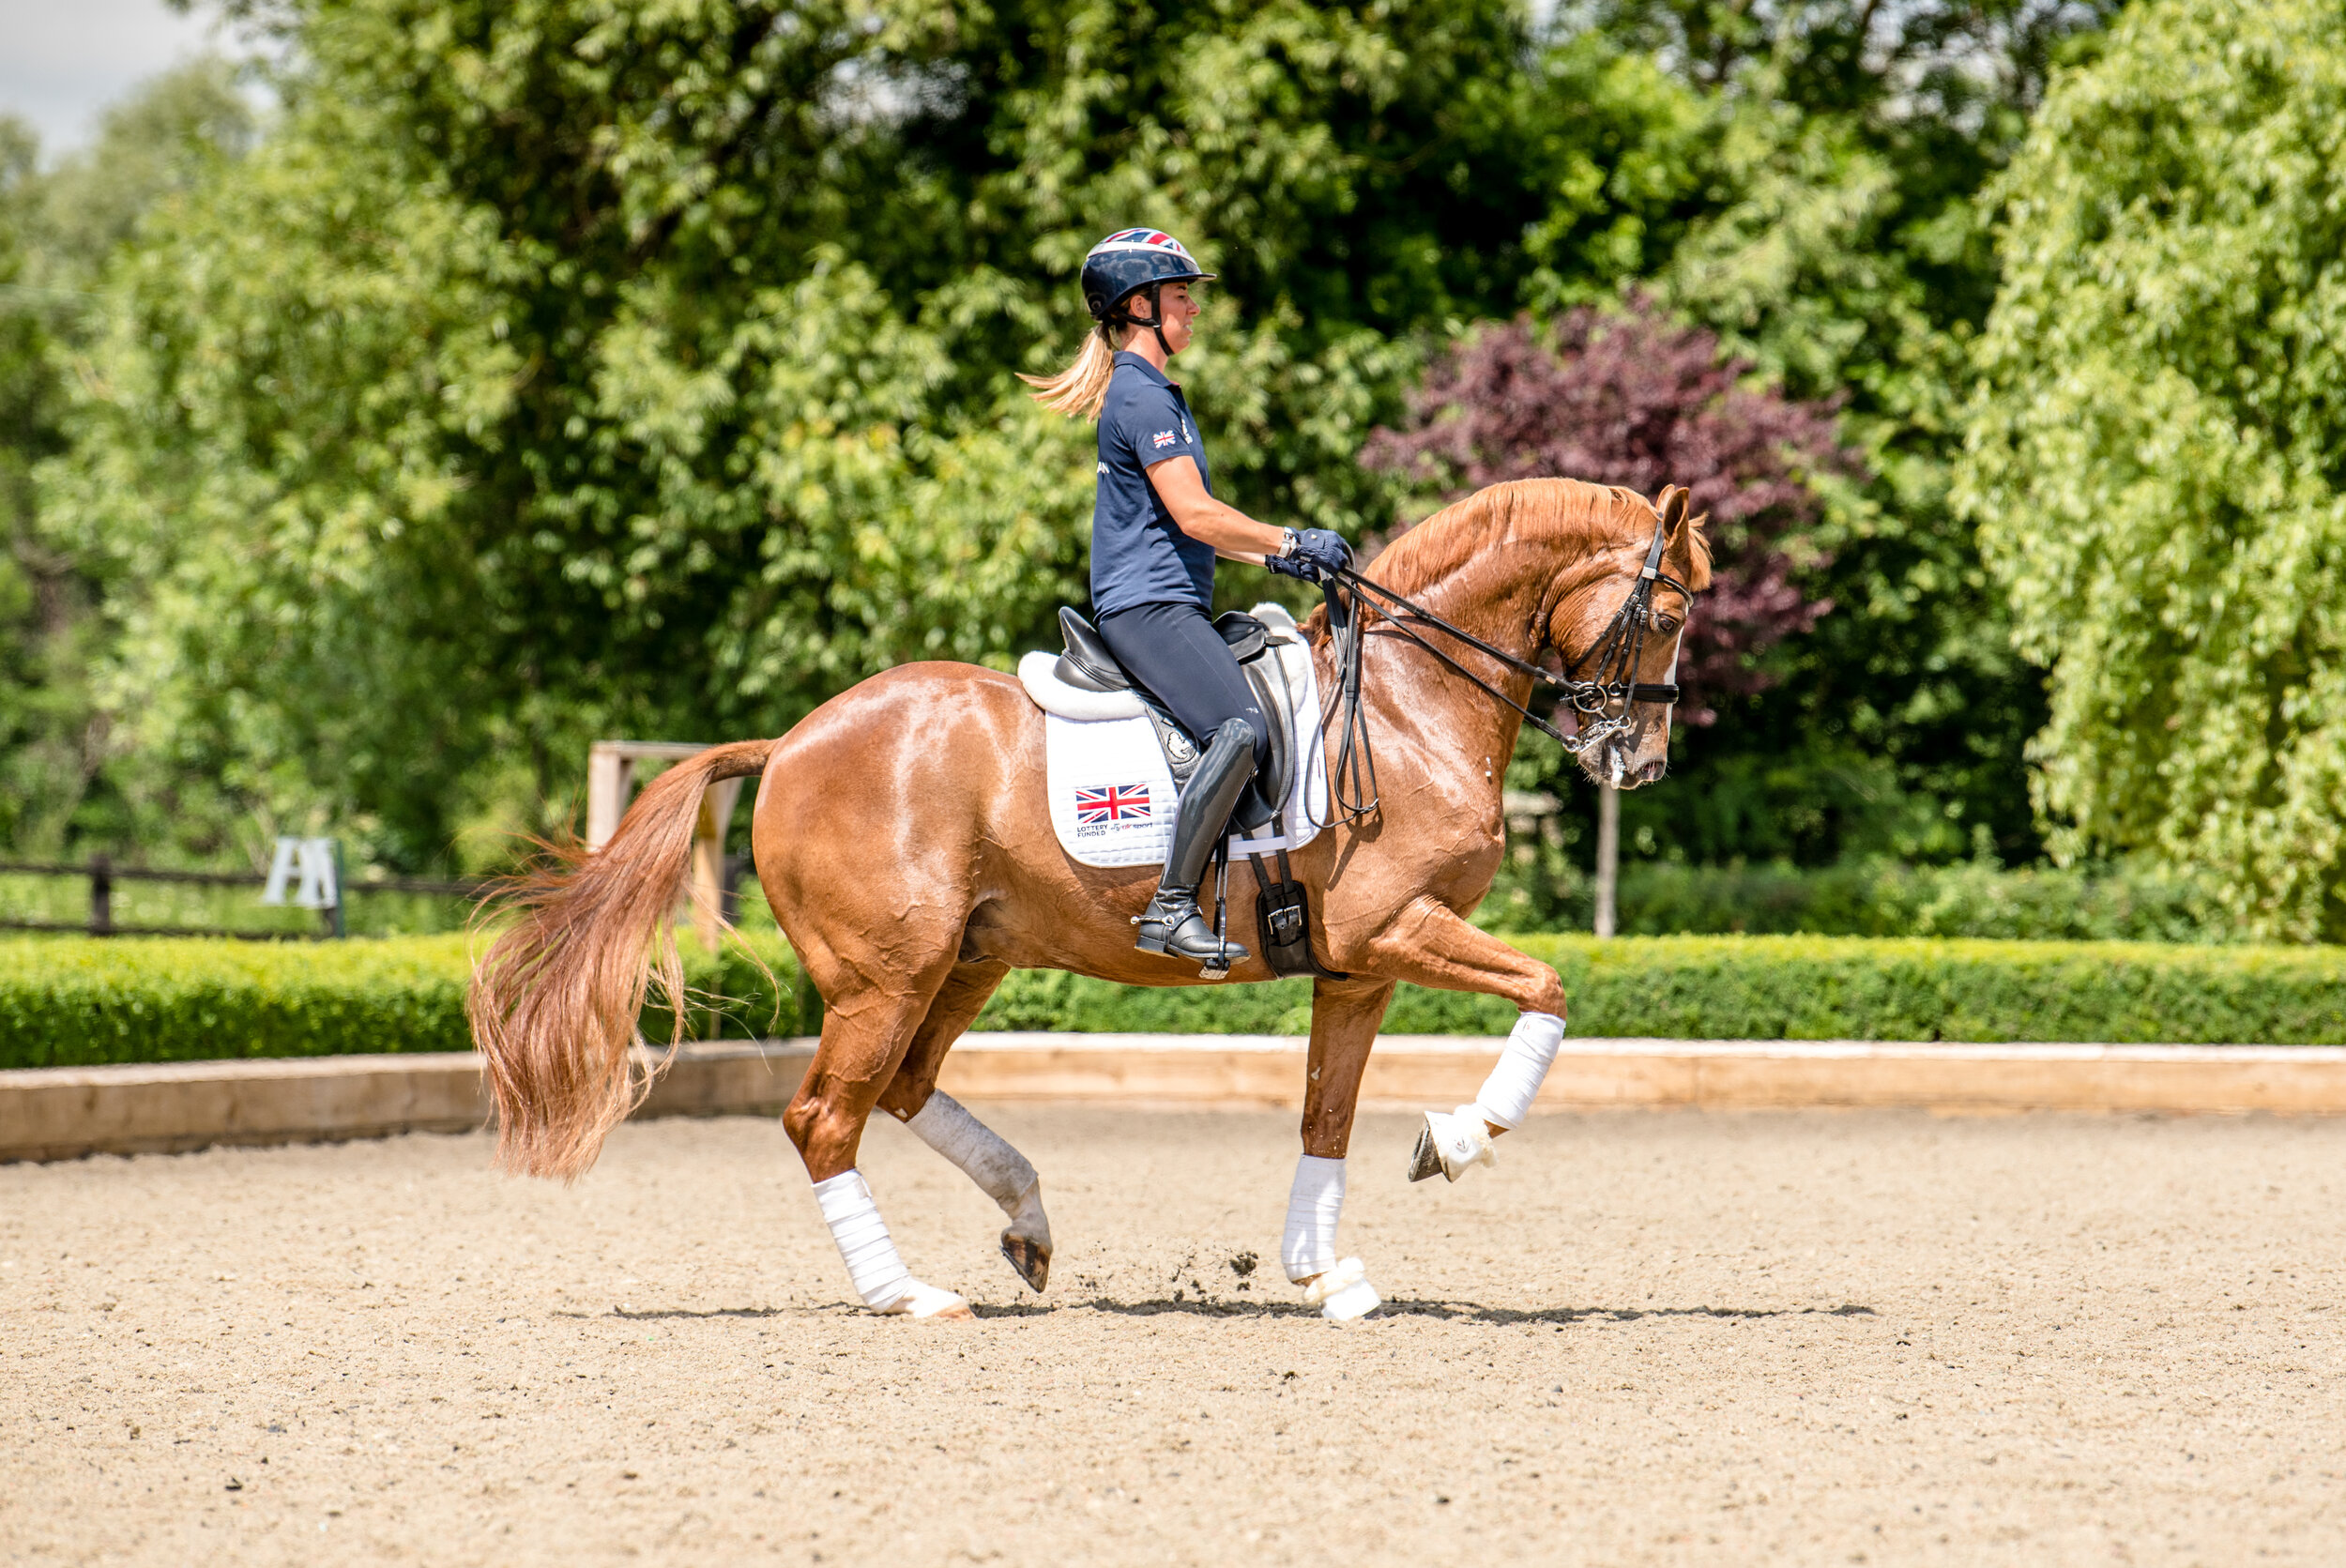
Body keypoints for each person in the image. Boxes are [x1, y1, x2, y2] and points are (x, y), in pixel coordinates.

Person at [1022, 228, 1352, 964]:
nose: (1193, 311)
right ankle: (1171, 906)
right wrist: (1291, 541)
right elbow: (1197, 514)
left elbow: (1201, 527)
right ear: (1140, 306)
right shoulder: (1142, 399)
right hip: (1148, 609)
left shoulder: (1152, 393)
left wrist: (1283, 561)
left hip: (1167, 603)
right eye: (1181, 297)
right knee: (1238, 728)